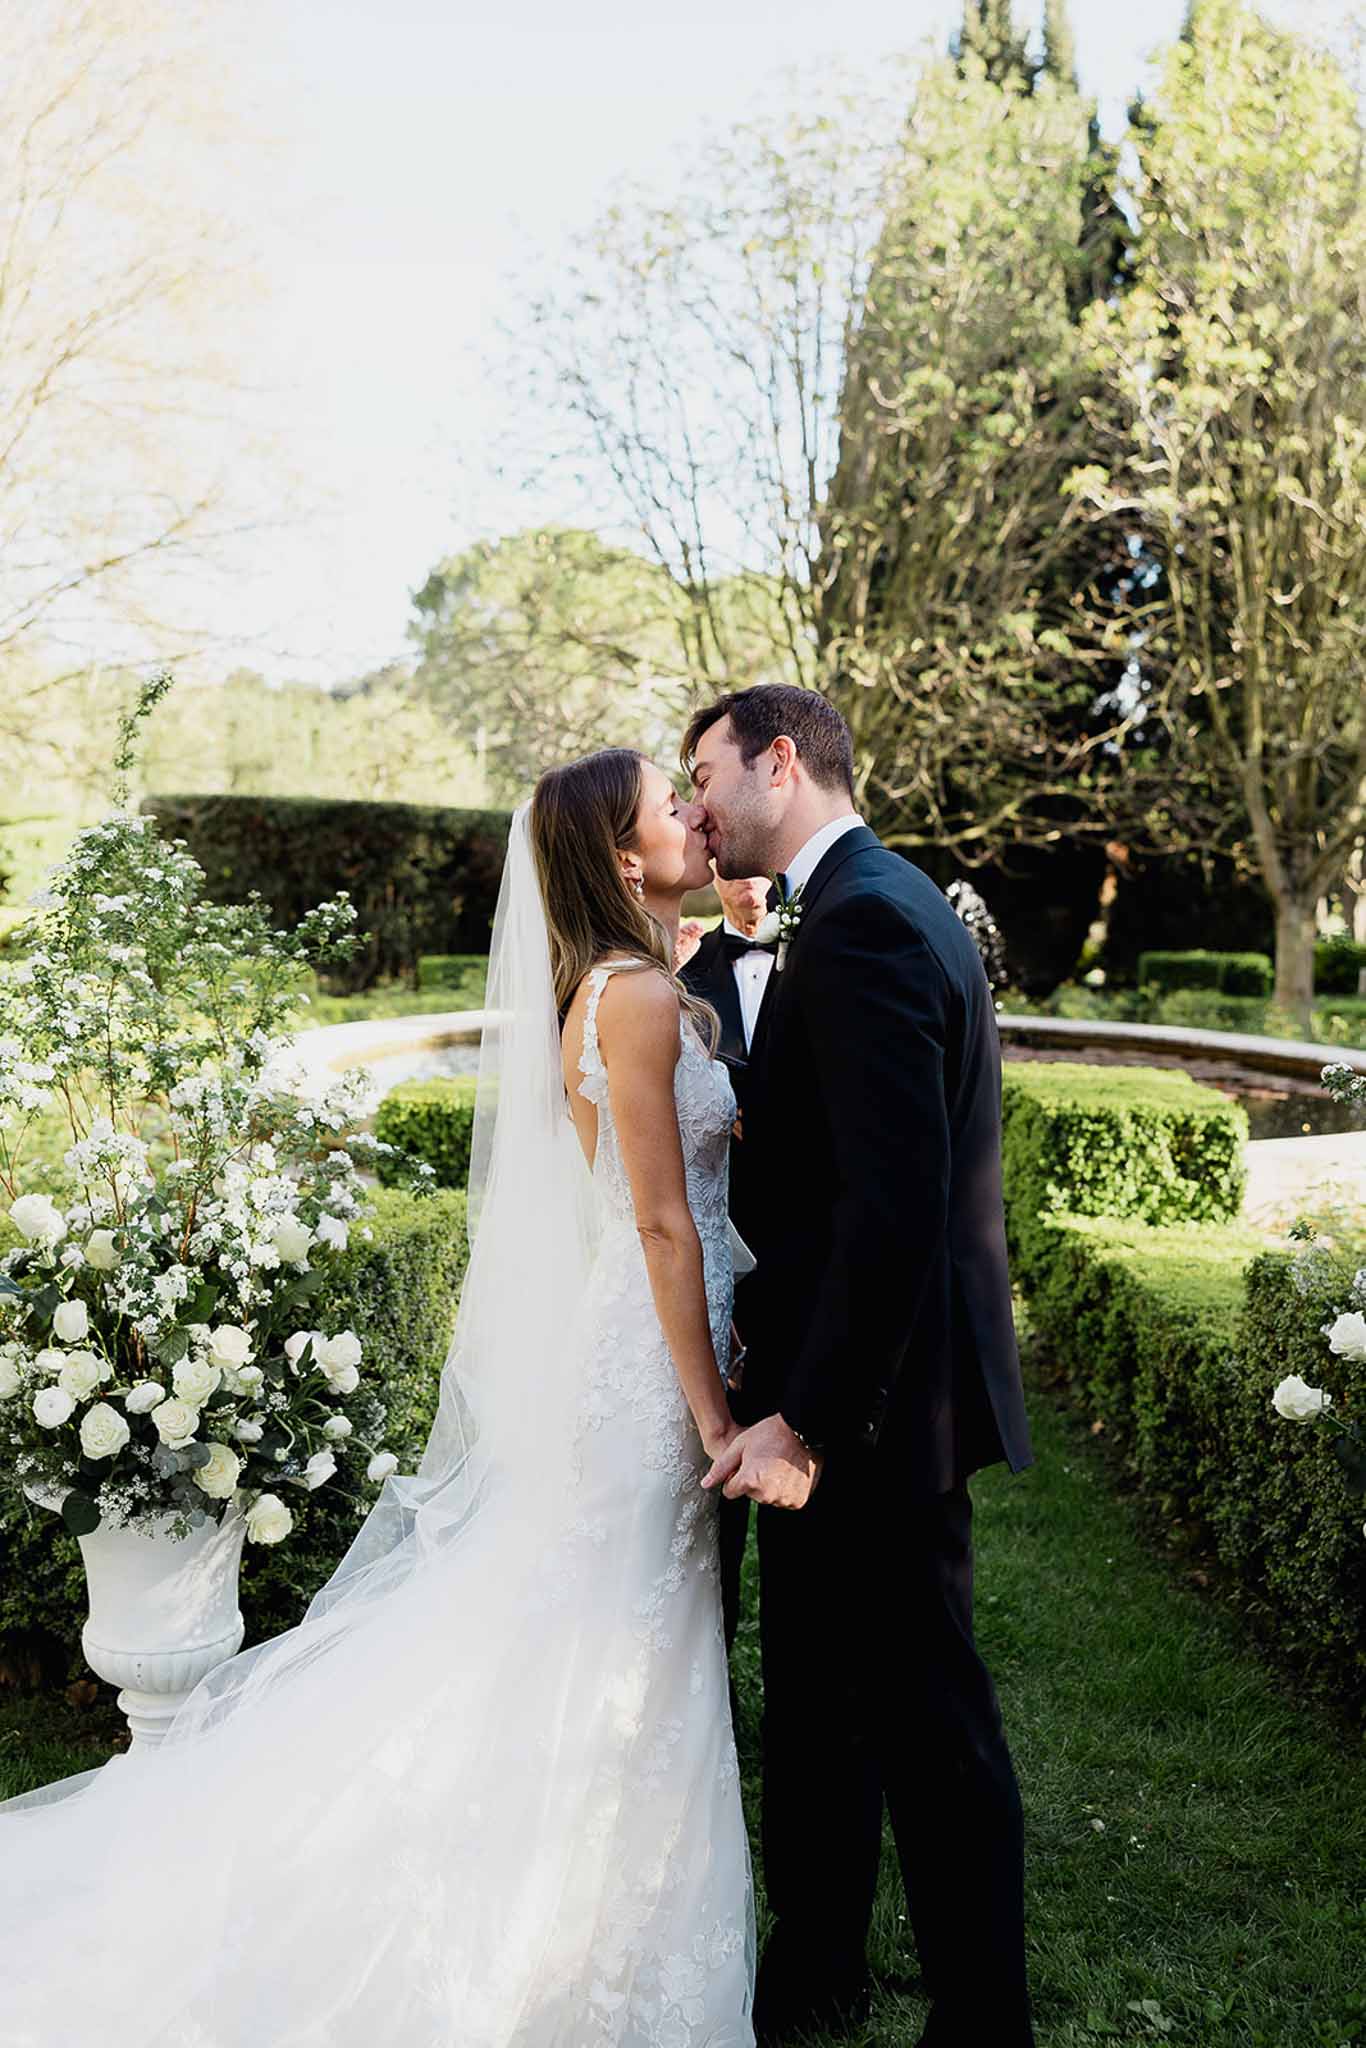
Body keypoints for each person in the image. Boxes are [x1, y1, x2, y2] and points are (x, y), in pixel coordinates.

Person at [0, 749, 757, 2047]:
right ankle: (555, 1946)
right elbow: (656, 1227)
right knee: (613, 1645)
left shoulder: (630, 984)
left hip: (635, 1350)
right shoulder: (629, 997)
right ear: (621, 854)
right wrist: (713, 1414)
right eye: (663, 802)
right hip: (645, 1371)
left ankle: (603, 1929)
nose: (691, 812)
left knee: (621, 1639)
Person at [686, 684, 1035, 2048]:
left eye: (703, 770)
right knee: (820, 1698)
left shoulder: (872, 921)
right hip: (838, 1387)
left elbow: (897, 1208)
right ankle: (820, 1957)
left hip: (878, 1414)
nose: (695, 799)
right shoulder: (860, 903)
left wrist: (809, 1426)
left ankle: (981, 2016)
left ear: (779, 763)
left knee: (929, 1723)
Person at [678, 867, 777, 1664]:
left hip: (802, 1267)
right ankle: (704, 1665)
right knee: (701, 1517)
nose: (748, 885)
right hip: (708, 1266)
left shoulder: (829, 953)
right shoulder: (678, 981)